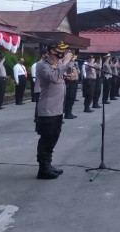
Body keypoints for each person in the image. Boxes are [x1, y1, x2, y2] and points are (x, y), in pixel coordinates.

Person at [36, 41, 72, 179]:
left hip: (57, 109)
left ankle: (48, 164)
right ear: (51, 50)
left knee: (53, 138)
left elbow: (67, 71)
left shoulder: (57, 64)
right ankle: (43, 168)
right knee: (46, 139)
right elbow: (54, 77)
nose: (62, 52)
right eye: (59, 49)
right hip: (47, 110)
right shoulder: (43, 65)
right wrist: (65, 61)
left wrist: (69, 67)